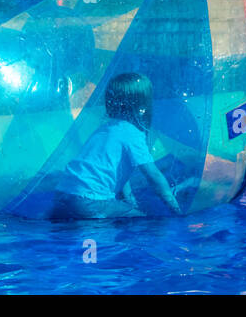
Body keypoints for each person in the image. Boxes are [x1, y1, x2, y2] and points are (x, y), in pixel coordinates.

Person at [53, 72, 182, 218]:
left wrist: (129, 200)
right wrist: (175, 210)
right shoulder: (132, 133)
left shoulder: (106, 129)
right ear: (143, 105)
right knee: (143, 221)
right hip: (90, 200)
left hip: (62, 194)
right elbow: (153, 175)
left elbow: (116, 171)